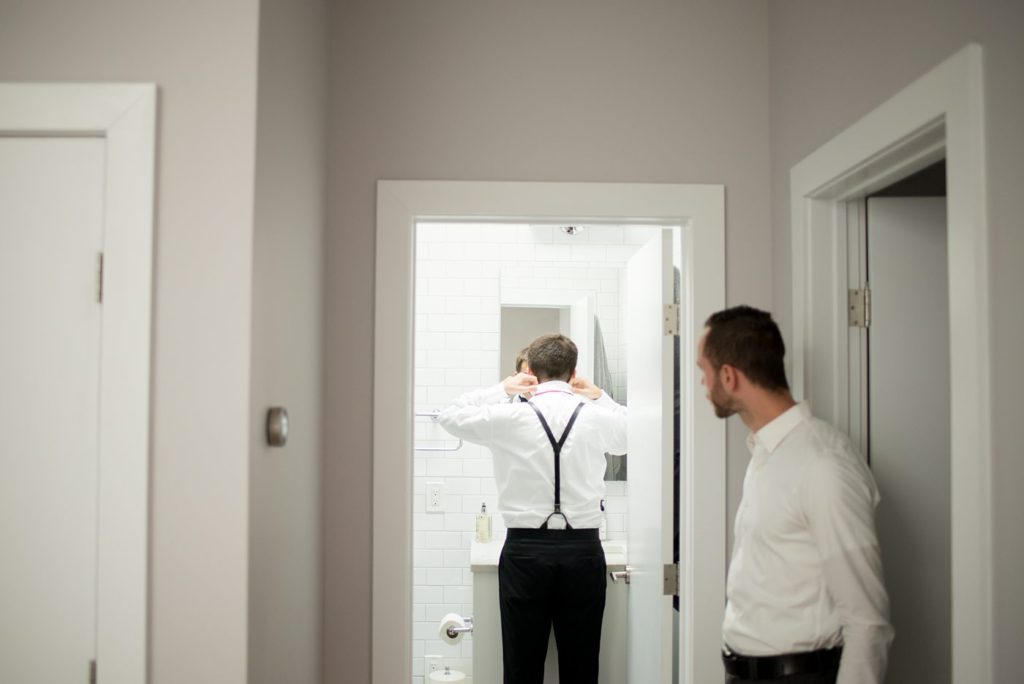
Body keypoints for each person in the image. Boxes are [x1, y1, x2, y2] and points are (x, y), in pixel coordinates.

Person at [697, 306, 893, 684]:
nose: (703, 384)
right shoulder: (768, 453)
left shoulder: (822, 464)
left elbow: (868, 623)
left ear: (728, 375)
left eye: (703, 371)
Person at [439, 333, 627, 684]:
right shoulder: (596, 416)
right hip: (583, 551)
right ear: (574, 373)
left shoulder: (507, 417)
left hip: (524, 553)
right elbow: (639, 432)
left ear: (529, 370)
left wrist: (503, 389)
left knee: (521, 667)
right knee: (581, 665)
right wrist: (600, 396)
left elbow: (449, 416)